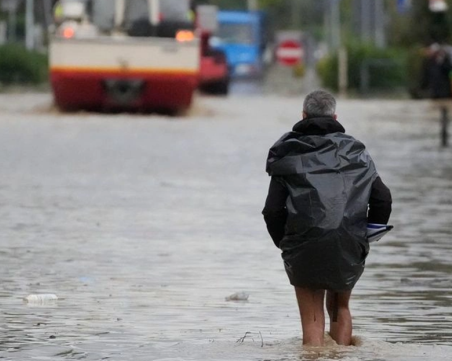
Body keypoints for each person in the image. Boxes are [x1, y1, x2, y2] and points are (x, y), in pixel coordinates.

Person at [262, 90, 392, 347]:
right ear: (335, 116)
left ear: (303, 115)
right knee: (339, 308)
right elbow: (383, 198)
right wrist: (368, 235)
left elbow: (273, 210)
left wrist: (285, 243)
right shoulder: (357, 152)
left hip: (303, 244)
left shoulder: (287, 152)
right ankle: (342, 354)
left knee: (312, 318)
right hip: (348, 240)